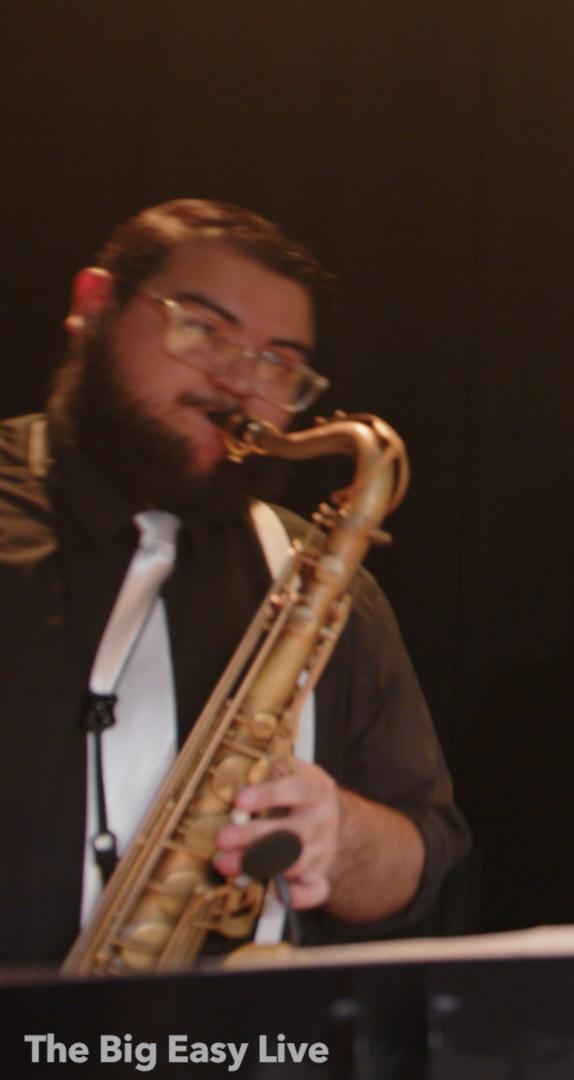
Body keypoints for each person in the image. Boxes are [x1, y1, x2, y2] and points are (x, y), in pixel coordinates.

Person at [0, 200, 469, 967]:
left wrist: (341, 833)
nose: (238, 381)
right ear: (93, 306)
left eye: (278, 362)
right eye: (202, 328)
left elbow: (420, 860)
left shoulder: (319, 575)